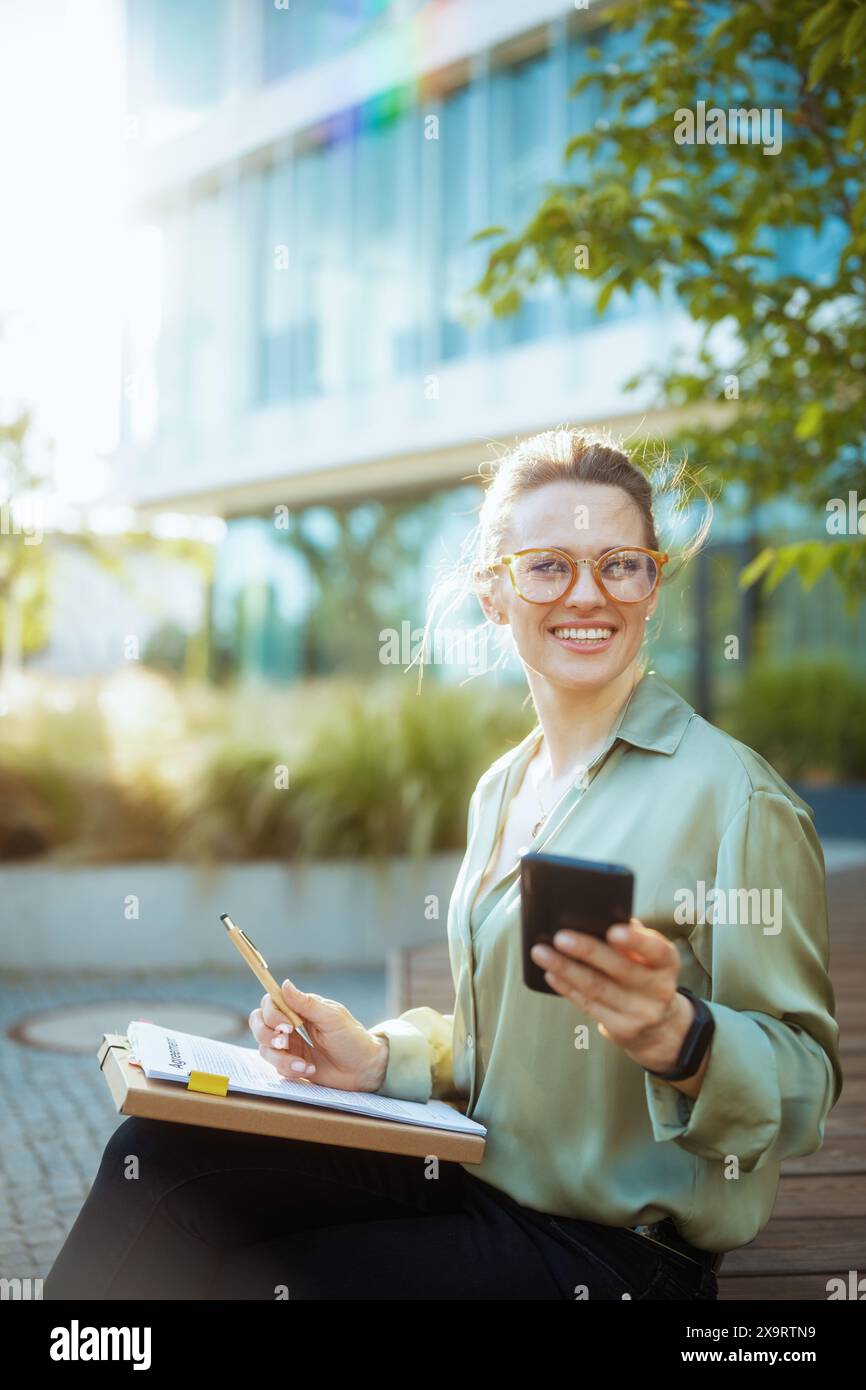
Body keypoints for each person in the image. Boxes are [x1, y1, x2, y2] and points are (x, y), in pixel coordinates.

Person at [44, 428, 842, 1301]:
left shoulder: (736, 801)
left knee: (263, 1284)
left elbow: (804, 1083)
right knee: (159, 1160)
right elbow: (505, 1037)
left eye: (621, 563)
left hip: (615, 1255)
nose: (589, 593)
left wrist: (684, 1039)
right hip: (472, 1169)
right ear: (494, 595)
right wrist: (378, 1059)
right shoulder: (504, 786)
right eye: (547, 565)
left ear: (653, 585)